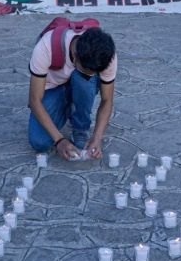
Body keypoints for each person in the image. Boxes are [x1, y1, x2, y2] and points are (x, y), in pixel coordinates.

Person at [28, 23, 116, 160]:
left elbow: (107, 100)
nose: (91, 74)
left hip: (79, 85)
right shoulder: (46, 47)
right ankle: (68, 106)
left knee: (84, 81)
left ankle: (80, 128)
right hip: (54, 87)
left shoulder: (106, 55)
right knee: (40, 142)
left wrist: (97, 138)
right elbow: (34, 101)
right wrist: (59, 141)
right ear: (75, 56)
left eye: (95, 72)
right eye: (86, 70)